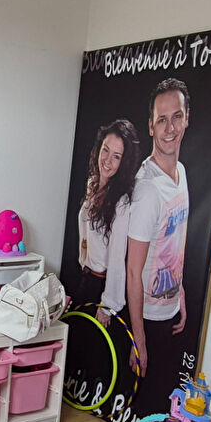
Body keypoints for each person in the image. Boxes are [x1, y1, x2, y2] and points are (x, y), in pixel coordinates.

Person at [125, 77, 190, 415]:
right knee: (143, 416)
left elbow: (175, 240)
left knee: (164, 418)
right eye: (161, 120)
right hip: (147, 319)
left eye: (176, 117)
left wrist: (180, 292)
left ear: (187, 118)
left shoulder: (180, 173)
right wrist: (139, 338)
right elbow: (132, 270)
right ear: (151, 127)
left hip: (171, 313)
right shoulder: (147, 190)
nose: (170, 128)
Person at [75, 119, 140, 316]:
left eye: (116, 156)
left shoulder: (121, 203)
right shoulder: (93, 184)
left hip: (101, 287)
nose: (107, 160)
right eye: (105, 150)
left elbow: (117, 257)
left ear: (124, 162)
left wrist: (108, 304)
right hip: (85, 279)